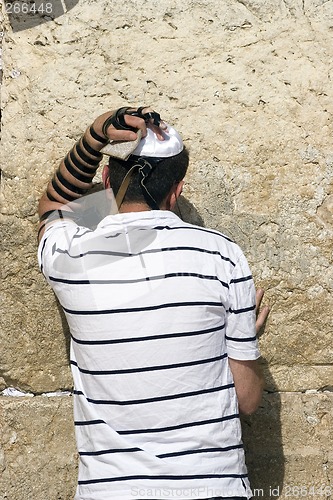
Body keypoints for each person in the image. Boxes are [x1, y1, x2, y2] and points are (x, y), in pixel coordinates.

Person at [37, 106, 269, 500]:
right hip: (214, 485)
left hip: (111, 491)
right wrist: (245, 335)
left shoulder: (70, 256)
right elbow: (246, 401)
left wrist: (95, 135)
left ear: (108, 179)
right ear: (177, 190)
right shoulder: (222, 255)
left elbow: (52, 203)